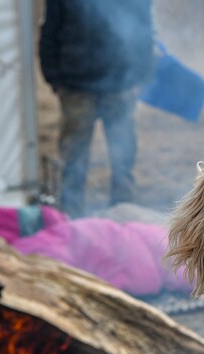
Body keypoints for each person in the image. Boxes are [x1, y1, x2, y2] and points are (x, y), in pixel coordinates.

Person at [39, 0, 154, 218]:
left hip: (120, 85)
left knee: (123, 157)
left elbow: (145, 32)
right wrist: (54, 77)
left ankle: (124, 213)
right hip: (76, 87)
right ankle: (71, 215)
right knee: (73, 155)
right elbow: (49, 32)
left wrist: (140, 77)